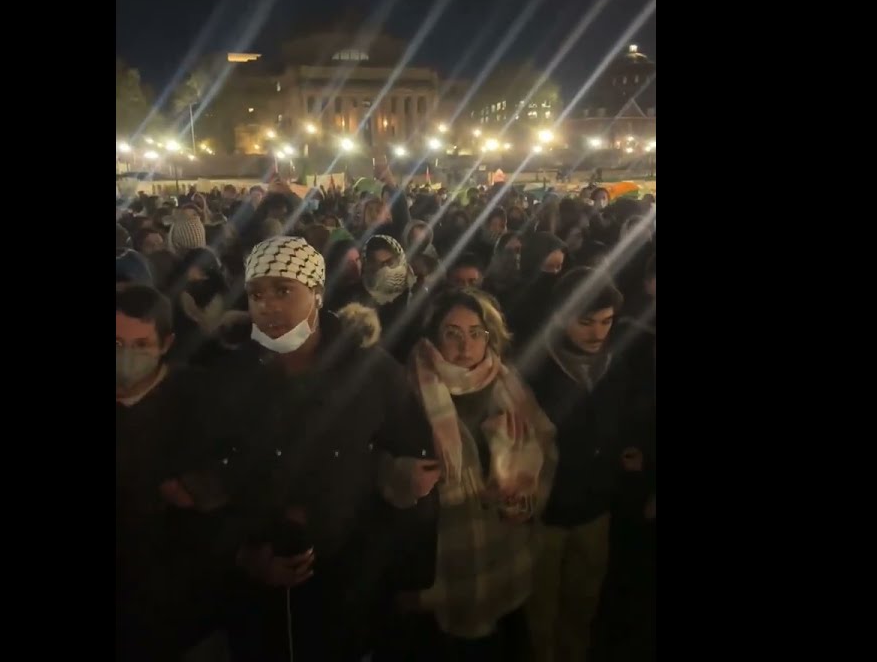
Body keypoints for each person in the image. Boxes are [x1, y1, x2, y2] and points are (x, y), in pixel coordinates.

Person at [179, 236, 438, 662]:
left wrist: (397, 576)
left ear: (317, 293)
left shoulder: (371, 373)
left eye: (284, 290)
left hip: (348, 585)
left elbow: (416, 474)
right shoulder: (228, 376)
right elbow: (200, 481)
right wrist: (243, 556)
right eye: (257, 294)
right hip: (255, 598)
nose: (268, 305)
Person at [380, 289, 557, 662]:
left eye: (476, 333)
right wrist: (398, 476)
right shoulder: (404, 389)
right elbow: (369, 457)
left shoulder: (509, 385)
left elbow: (546, 447)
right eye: (453, 333)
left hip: (504, 560)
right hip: (443, 572)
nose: (466, 344)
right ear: (432, 336)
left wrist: (527, 501)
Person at [518, 269, 639, 662]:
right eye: (586, 321)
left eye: (606, 322)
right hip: (546, 509)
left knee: (583, 599)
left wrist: (628, 449)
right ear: (561, 315)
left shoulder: (615, 361)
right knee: (541, 606)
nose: (597, 332)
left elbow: (624, 417)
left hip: (595, 506)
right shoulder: (533, 366)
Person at [116, 286, 221, 662]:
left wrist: (201, 488)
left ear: (167, 343)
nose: (126, 356)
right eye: (117, 342)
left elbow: (235, 469)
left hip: (173, 597)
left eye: (141, 344)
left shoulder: (199, 397)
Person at [359, 234, 423, 361]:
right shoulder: (359, 295)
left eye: (389, 262)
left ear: (400, 260)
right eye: (378, 265)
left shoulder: (417, 292)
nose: (385, 269)